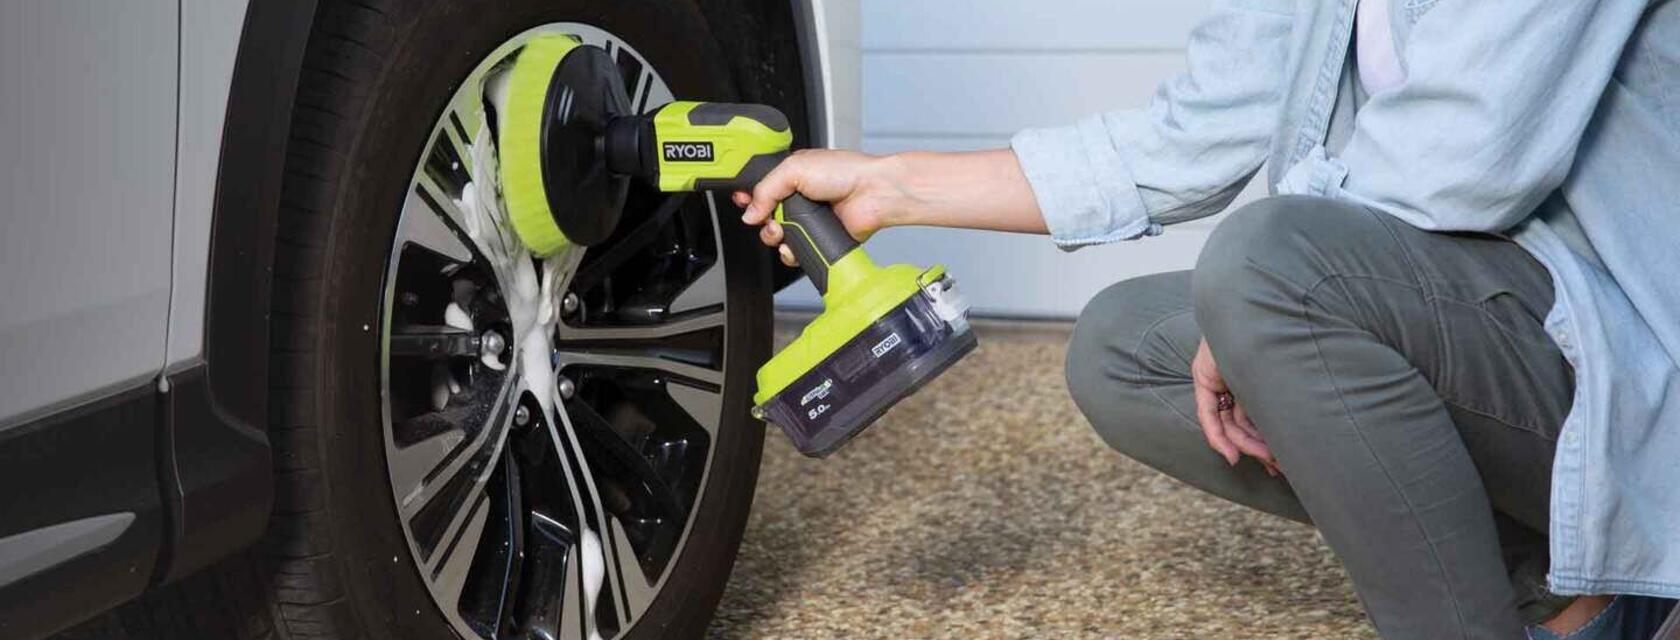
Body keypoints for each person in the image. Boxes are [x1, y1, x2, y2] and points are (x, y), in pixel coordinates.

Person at [733, 1, 1680, 638]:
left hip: (1633, 360)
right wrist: (892, 185)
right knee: (1121, 348)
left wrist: (1262, 305)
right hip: (1501, 330)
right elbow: (1189, 137)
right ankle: (1572, 584)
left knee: (1266, 275)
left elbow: (1462, 154)